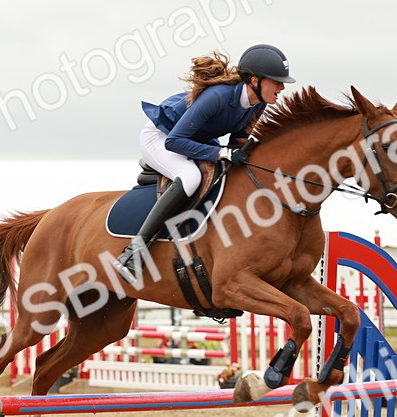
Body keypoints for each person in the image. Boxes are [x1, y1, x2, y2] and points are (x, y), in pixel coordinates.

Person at [114, 44, 295, 283]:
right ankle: (133, 252)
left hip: (194, 138)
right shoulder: (217, 97)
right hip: (162, 136)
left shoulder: (258, 103)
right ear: (254, 80)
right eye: (276, 81)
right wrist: (221, 154)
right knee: (191, 177)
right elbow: (175, 142)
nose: (282, 87)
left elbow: (238, 140)